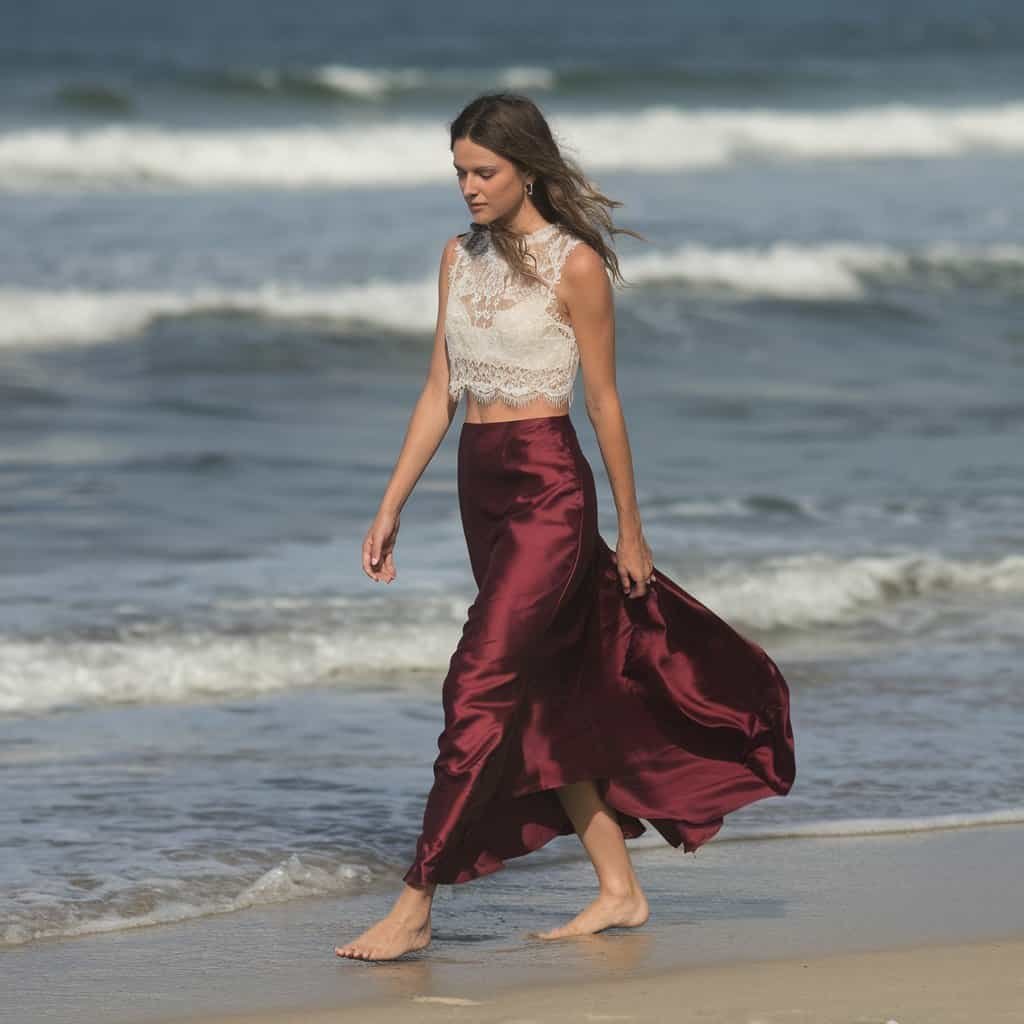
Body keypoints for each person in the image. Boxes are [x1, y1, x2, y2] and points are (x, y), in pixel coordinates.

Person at [335, 93, 795, 962]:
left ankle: (416, 900)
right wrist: (391, 503)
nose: (469, 187)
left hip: (549, 490)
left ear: (527, 169)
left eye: (484, 171)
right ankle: (619, 888)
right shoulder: (457, 257)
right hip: (480, 486)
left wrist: (631, 528)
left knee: (477, 685)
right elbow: (438, 391)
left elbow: (604, 402)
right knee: (544, 691)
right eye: (460, 172)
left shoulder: (574, 265)